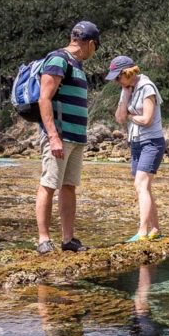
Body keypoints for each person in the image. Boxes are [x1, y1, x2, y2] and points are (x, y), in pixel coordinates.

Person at [35, 20, 100, 254]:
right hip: (60, 135)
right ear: (91, 44)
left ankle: (68, 239)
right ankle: (43, 239)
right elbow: (44, 98)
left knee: (69, 186)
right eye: (96, 47)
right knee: (49, 184)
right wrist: (53, 136)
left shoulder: (76, 64)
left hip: (76, 137)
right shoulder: (58, 59)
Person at [108, 55, 165, 241]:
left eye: (118, 77)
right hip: (136, 143)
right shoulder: (127, 89)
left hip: (152, 142)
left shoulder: (147, 87)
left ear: (128, 72)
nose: (117, 81)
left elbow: (146, 120)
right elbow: (119, 117)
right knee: (144, 186)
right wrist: (125, 95)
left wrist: (132, 116)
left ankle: (142, 232)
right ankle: (155, 229)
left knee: (141, 185)